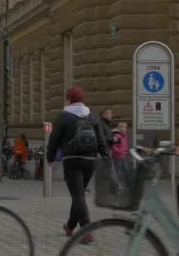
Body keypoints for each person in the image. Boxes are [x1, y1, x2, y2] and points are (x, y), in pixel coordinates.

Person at [46, 86, 109, 244]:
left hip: (72, 160)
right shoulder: (93, 117)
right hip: (90, 161)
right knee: (78, 195)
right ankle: (69, 226)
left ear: (69, 99)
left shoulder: (63, 116)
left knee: (78, 196)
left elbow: (54, 139)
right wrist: (107, 159)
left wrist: (50, 157)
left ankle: (86, 231)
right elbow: (101, 141)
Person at [110, 122, 131, 188]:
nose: (122, 128)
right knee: (117, 173)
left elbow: (124, 145)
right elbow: (113, 146)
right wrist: (119, 151)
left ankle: (128, 186)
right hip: (117, 158)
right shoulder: (116, 136)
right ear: (118, 128)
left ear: (126, 128)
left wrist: (125, 151)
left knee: (126, 171)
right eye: (121, 126)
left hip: (123, 157)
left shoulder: (124, 136)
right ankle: (115, 187)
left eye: (124, 127)